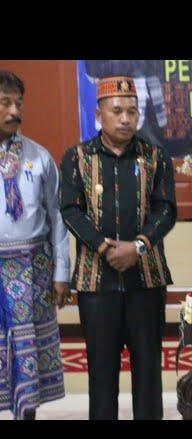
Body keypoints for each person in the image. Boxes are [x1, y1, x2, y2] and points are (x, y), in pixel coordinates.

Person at [59, 76, 177, 420]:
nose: (125, 118)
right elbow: (70, 209)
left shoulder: (156, 157)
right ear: (99, 114)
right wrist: (102, 247)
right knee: (101, 373)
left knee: (148, 374)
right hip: (97, 285)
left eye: (132, 111)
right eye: (117, 111)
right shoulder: (76, 158)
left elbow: (166, 209)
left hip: (146, 282)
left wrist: (138, 246)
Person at [0, 70, 69, 420]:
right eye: (5, 103)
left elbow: (58, 217)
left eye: (18, 103)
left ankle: (26, 414)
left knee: (27, 355)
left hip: (33, 269)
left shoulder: (39, 157)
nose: (15, 111)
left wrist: (61, 273)